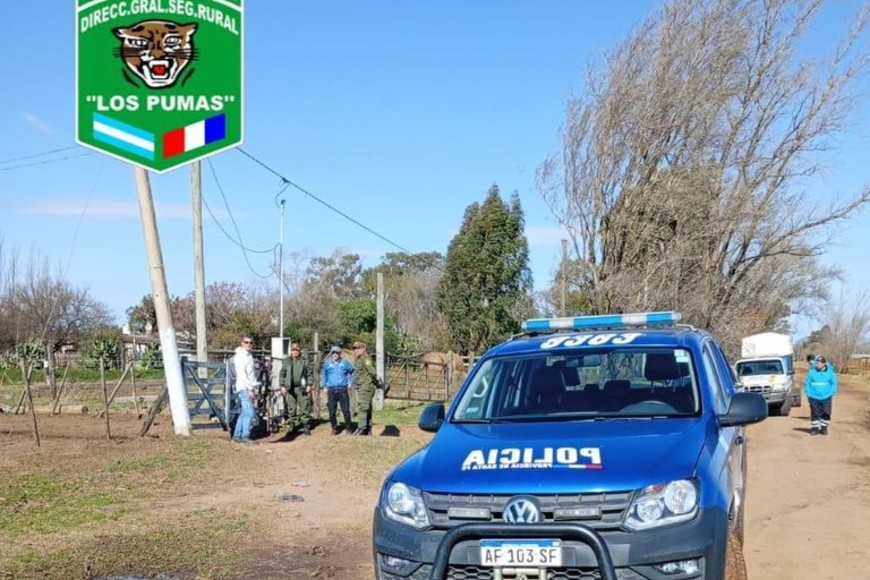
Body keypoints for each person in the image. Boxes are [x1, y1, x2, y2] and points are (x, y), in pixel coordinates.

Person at [232, 335, 261, 443]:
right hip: (244, 387)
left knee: (244, 412)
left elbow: (250, 373)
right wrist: (250, 389)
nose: (249, 344)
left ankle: (237, 436)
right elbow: (242, 374)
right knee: (249, 412)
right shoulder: (240, 356)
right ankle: (245, 436)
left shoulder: (249, 356)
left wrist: (254, 385)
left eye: (250, 342)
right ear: (242, 343)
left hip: (248, 386)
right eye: (246, 342)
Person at [279, 343, 313, 435]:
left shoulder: (304, 361)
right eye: (293, 350)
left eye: (296, 350)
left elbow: (309, 374)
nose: (295, 352)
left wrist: (309, 384)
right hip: (289, 388)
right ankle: (292, 425)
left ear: (299, 351)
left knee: (304, 407)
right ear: (291, 351)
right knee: (291, 408)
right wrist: (282, 385)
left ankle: (305, 425)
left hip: (301, 387)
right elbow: (282, 374)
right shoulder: (286, 361)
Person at [320, 345, 355, 435]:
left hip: (343, 389)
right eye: (333, 353)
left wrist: (350, 382)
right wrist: (324, 386)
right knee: (332, 411)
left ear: (340, 354)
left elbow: (353, 371)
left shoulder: (345, 363)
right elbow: (323, 374)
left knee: (346, 410)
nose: (335, 354)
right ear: (331, 354)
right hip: (331, 389)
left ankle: (348, 427)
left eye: (337, 353)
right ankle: (334, 428)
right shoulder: (327, 363)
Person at [351, 341, 380, 436]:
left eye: (358, 348)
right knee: (367, 407)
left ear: (363, 349)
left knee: (363, 407)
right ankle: (368, 428)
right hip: (361, 386)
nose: (355, 350)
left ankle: (361, 428)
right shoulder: (359, 359)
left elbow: (372, 372)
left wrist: (376, 382)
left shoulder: (365, 359)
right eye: (354, 349)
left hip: (366, 386)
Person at [805, 355, 837, 436]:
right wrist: (808, 394)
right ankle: (815, 429)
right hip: (814, 397)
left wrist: (831, 393)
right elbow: (807, 383)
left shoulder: (830, 372)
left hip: (826, 397)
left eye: (819, 363)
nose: (817, 365)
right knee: (815, 413)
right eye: (816, 363)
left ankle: (824, 428)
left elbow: (833, 383)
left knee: (826, 412)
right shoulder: (811, 372)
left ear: (824, 364)